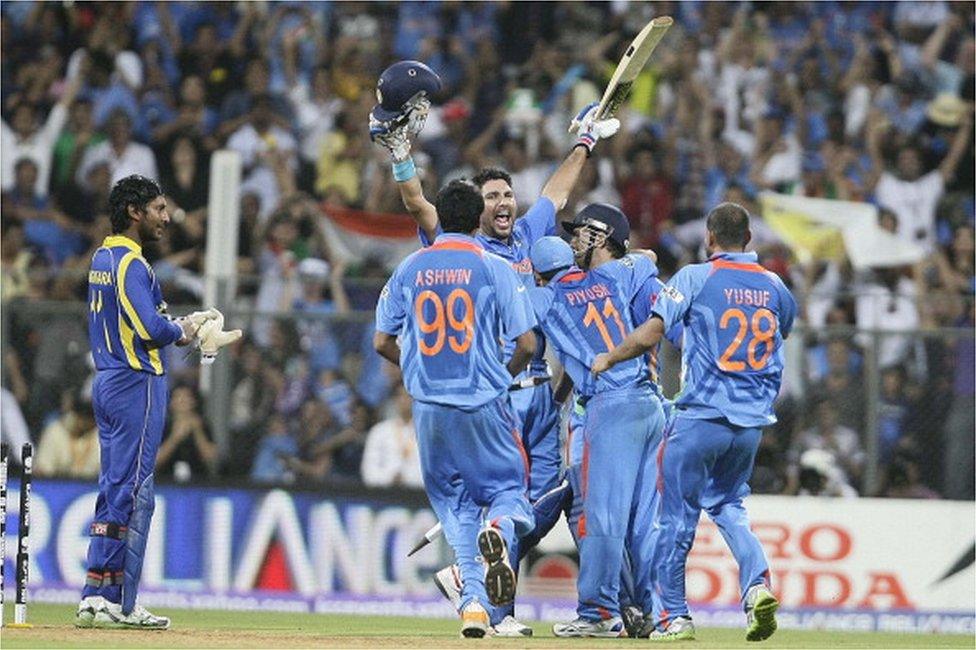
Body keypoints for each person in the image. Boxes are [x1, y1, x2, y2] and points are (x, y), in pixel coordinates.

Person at [370, 59, 619, 636]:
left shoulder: (527, 234)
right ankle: (489, 597)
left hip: (535, 395)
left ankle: (476, 589)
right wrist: (400, 152)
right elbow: (416, 202)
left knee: (546, 498)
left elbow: (557, 191)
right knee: (513, 497)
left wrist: (583, 142)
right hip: (494, 393)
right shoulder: (460, 246)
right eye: (493, 196)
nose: (505, 203)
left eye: (509, 194)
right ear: (476, 208)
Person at [593, 203, 797, 642]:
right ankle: (757, 585)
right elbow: (783, 329)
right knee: (729, 507)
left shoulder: (694, 276)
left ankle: (674, 617)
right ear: (749, 239)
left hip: (700, 418)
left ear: (709, 237)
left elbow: (652, 331)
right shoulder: (776, 286)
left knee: (674, 519)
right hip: (749, 427)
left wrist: (609, 356)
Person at [373, 179, 537, 638]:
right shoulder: (494, 267)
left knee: (456, 508)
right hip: (483, 402)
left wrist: (418, 369)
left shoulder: (409, 268)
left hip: (428, 412)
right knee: (507, 492)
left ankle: (473, 607)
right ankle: (500, 532)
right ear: (478, 219)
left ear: (441, 218)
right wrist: (501, 377)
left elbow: (382, 341)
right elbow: (527, 342)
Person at [75, 174, 239, 629]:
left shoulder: (102, 258)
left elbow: (139, 321)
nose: (166, 219)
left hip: (107, 380)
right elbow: (151, 329)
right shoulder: (132, 263)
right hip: (137, 384)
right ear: (135, 211)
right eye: (159, 209)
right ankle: (121, 603)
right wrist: (184, 330)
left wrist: (179, 324)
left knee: (113, 486)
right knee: (135, 491)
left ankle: (96, 594)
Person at [526, 233, 665, 638]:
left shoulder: (543, 298)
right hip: (650, 403)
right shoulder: (611, 278)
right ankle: (649, 610)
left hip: (610, 405)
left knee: (602, 519)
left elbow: (508, 311)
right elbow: (649, 256)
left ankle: (599, 612)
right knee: (644, 523)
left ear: (538, 275)